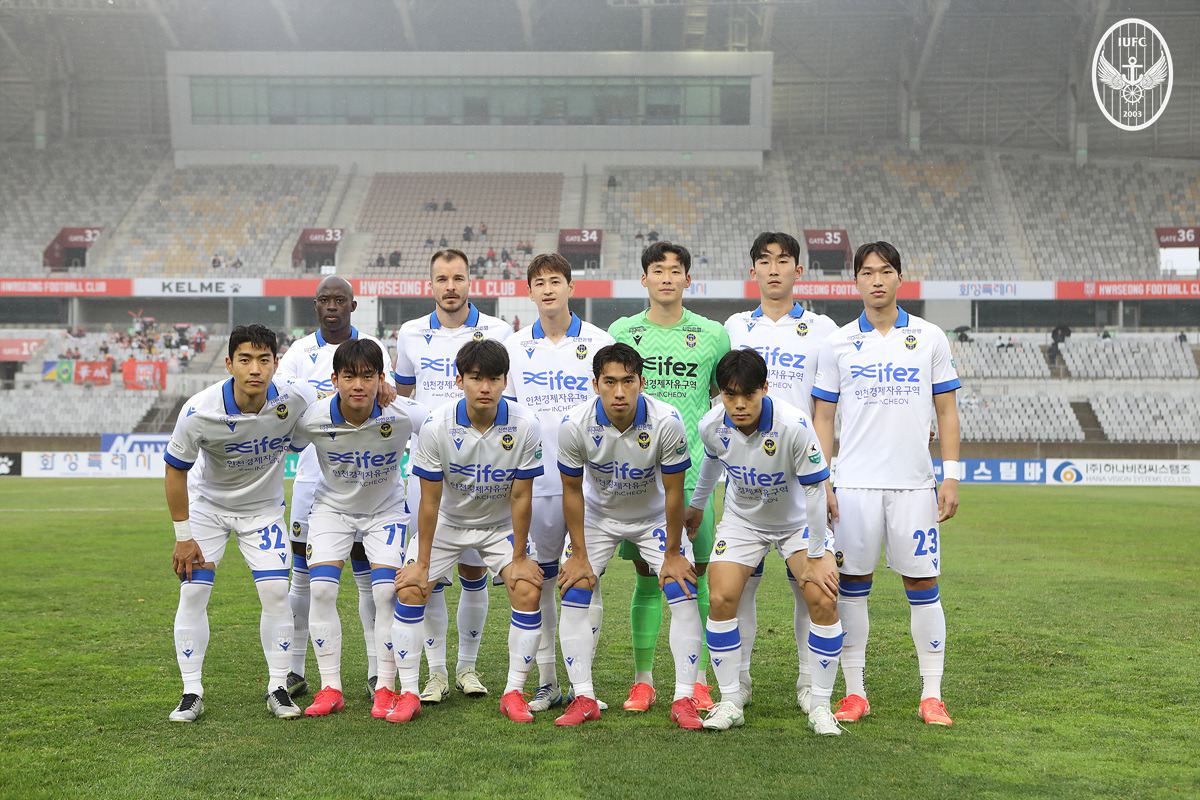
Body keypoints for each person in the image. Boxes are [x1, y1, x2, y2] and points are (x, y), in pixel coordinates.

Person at [812, 240, 961, 727]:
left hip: (914, 484)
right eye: (867, 272)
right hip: (853, 486)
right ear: (855, 280)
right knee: (852, 586)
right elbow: (824, 417)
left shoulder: (930, 336)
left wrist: (951, 476)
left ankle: (932, 694)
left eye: (886, 271)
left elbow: (946, 410)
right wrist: (824, 480)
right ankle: (855, 692)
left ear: (900, 277)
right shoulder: (837, 343)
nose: (877, 280)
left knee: (922, 584)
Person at [685, 349, 842, 734]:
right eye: (730, 395)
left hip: (796, 522)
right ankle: (731, 699)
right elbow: (711, 462)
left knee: (822, 597)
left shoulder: (793, 424)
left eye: (748, 395)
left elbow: (815, 491)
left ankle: (820, 704)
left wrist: (817, 556)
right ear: (720, 393)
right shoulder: (711, 423)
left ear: (765, 388)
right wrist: (697, 506)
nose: (738, 404)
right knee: (721, 598)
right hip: (743, 521)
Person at [163, 324, 315, 722]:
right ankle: (191, 692)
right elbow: (175, 471)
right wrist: (183, 537)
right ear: (229, 364)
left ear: (275, 363)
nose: (255, 369)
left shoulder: (296, 397)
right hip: (208, 509)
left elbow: (332, 409)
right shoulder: (200, 410)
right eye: (245, 360)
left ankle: (278, 687)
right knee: (193, 594)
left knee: (277, 594)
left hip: (263, 512)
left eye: (264, 360)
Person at [391, 339, 545, 724]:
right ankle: (409, 692)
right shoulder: (436, 425)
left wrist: (520, 557)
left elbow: (521, 496)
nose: (485, 388)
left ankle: (513, 693)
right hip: (448, 522)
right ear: (459, 380)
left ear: (506, 381)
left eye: (494, 379)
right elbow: (429, 500)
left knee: (528, 589)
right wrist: (421, 563)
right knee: (410, 589)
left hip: (498, 526)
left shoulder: (526, 424)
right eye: (476, 378)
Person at [554, 343, 705, 730]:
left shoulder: (666, 421)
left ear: (642, 382)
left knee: (683, 587)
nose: (619, 392)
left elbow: (675, 491)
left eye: (628, 381)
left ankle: (684, 698)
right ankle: (584, 697)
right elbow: (571, 491)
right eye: (609, 382)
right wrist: (579, 555)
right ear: (595, 384)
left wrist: (673, 553)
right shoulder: (574, 424)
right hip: (598, 517)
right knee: (575, 588)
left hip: (652, 517)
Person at [608, 241, 730, 712]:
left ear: (687, 280)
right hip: (635, 480)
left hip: (693, 476)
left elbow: (722, 399)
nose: (665, 278)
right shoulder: (623, 331)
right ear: (644, 279)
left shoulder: (712, 335)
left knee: (695, 577)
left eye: (674, 271)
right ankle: (644, 681)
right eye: (657, 270)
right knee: (645, 578)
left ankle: (697, 680)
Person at [722, 232, 839, 712]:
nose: (774, 269)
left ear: (798, 270)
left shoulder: (822, 328)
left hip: (802, 483)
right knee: (740, 587)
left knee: (808, 584)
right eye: (765, 261)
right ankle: (739, 681)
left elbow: (826, 409)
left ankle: (810, 683)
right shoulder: (734, 326)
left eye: (784, 260)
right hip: (748, 482)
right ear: (753, 271)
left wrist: (825, 479)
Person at [394, 249, 513, 704]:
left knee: (473, 569)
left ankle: (467, 667)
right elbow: (402, 397)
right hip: (429, 465)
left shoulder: (498, 331)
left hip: (480, 466)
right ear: (430, 284)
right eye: (442, 278)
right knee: (429, 572)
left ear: (469, 282)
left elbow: (508, 396)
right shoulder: (410, 333)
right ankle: (436, 673)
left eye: (458, 278)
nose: (450, 286)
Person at [285, 339, 427, 718]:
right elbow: (288, 439)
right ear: (334, 380)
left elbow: (440, 428)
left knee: (385, 594)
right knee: (321, 590)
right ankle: (330, 688)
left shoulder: (400, 411)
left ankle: (385, 688)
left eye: (368, 376)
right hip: (332, 510)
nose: (358, 386)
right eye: (349, 377)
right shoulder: (315, 417)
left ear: (382, 378)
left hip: (386, 511)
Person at [502, 253, 615, 712]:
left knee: (586, 579)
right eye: (539, 283)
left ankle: (582, 685)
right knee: (544, 580)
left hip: (591, 485)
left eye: (555, 281)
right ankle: (548, 681)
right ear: (529, 292)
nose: (548, 290)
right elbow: (508, 419)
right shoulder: (513, 347)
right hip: (537, 484)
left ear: (571, 287)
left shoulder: (600, 342)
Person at [275, 276, 396, 702]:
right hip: (313, 481)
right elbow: (280, 401)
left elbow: (388, 397)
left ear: (352, 305)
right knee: (304, 579)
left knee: (369, 582)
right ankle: (294, 668)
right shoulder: (299, 352)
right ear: (315, 305)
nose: (332, 306)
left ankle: (375, 671)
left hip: (365, 484)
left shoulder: (373, 347)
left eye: (339, 300)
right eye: (324, 299)